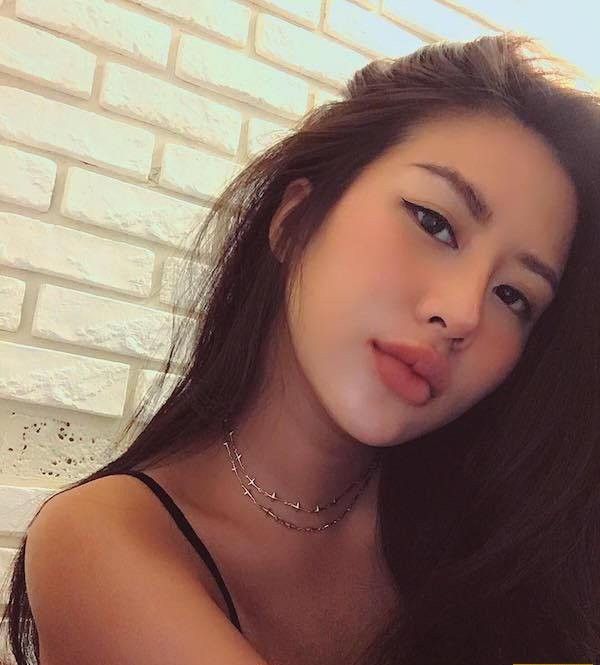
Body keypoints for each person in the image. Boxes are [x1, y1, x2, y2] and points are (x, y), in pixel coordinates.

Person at [3, 32, 600, 665]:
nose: (461, 313)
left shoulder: (503, 547)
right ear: (295, 220)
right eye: (435, 222)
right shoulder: (104, 539)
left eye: (514, 296)